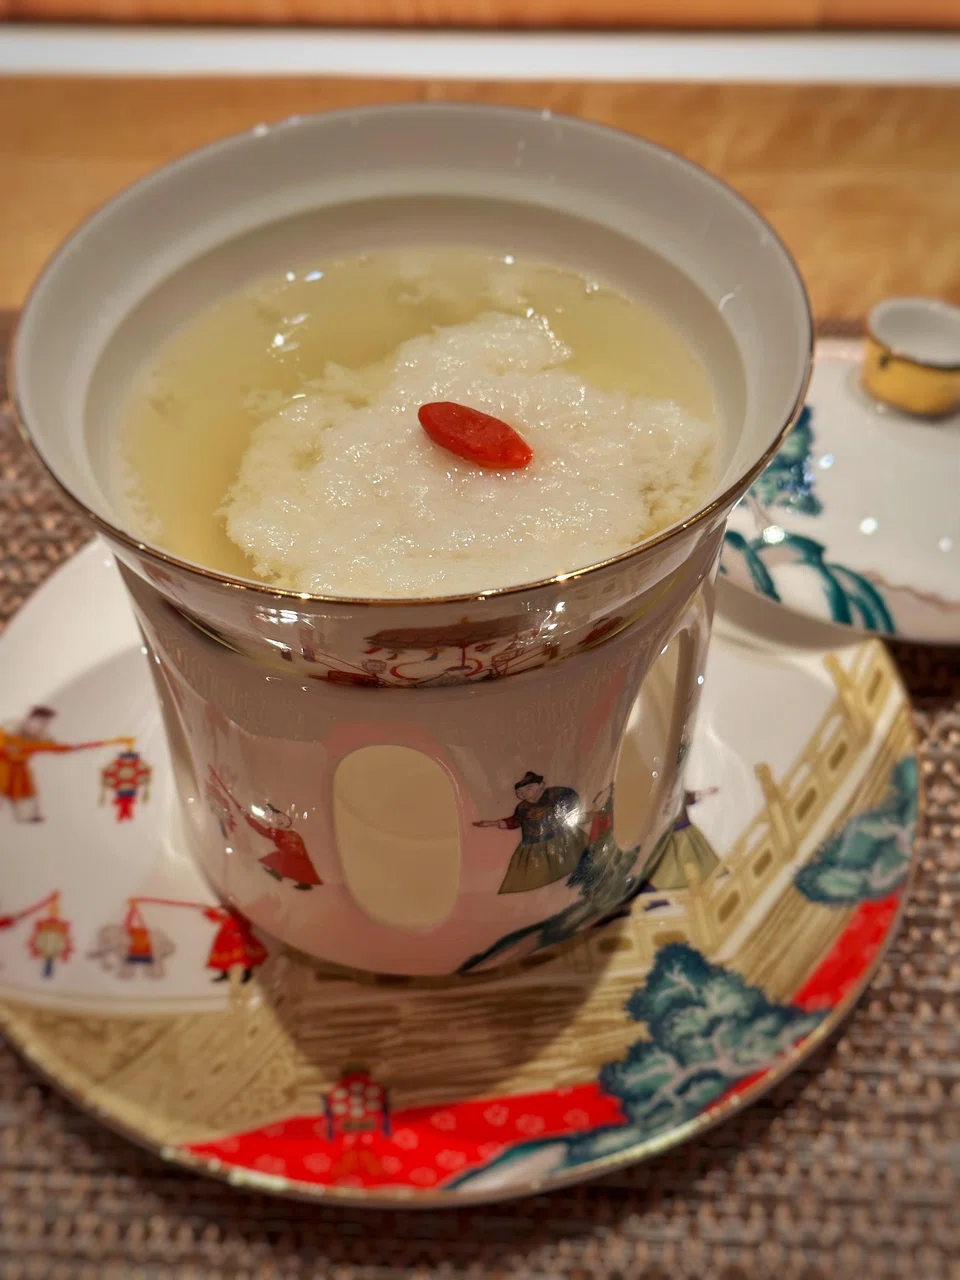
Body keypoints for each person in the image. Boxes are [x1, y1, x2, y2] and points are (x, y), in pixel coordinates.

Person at [475, 771, 587, 894]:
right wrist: (492, 823)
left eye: (528, 788)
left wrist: (565, 816)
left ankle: (569, 886)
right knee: (529, 876)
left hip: (559, 839)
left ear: (541, 785)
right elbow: (515, 821)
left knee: (572, 862)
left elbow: (571, 800)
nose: (523, 793)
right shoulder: (522, 807)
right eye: (519, 792)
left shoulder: (555, 794)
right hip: (533, 846)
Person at [0, 707, 83, 823]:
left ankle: (27, 815)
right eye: (39, 722)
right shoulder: (10, 728)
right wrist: (6, 748)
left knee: (25, 790)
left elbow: (54, 747)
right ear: (29, 719)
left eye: (45, 723)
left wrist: (71, 748)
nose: (41, 726)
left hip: (19, 767)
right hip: (2, 764)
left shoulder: (41, 736)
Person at [641, 787, 722, 892]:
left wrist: (705, 792)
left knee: (700, 861)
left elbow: (689, 797)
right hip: (672, 837)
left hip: (687, 832)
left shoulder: (675, 790)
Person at [203, 906, 268, 984]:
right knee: (224, 955)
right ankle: (225, 974)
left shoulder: (243, 914)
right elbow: (216, 917)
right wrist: (210, 911)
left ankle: (247, 974)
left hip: (239, 937)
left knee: (244, 957)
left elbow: (248, 924)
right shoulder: (226, 914)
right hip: (226, 938)